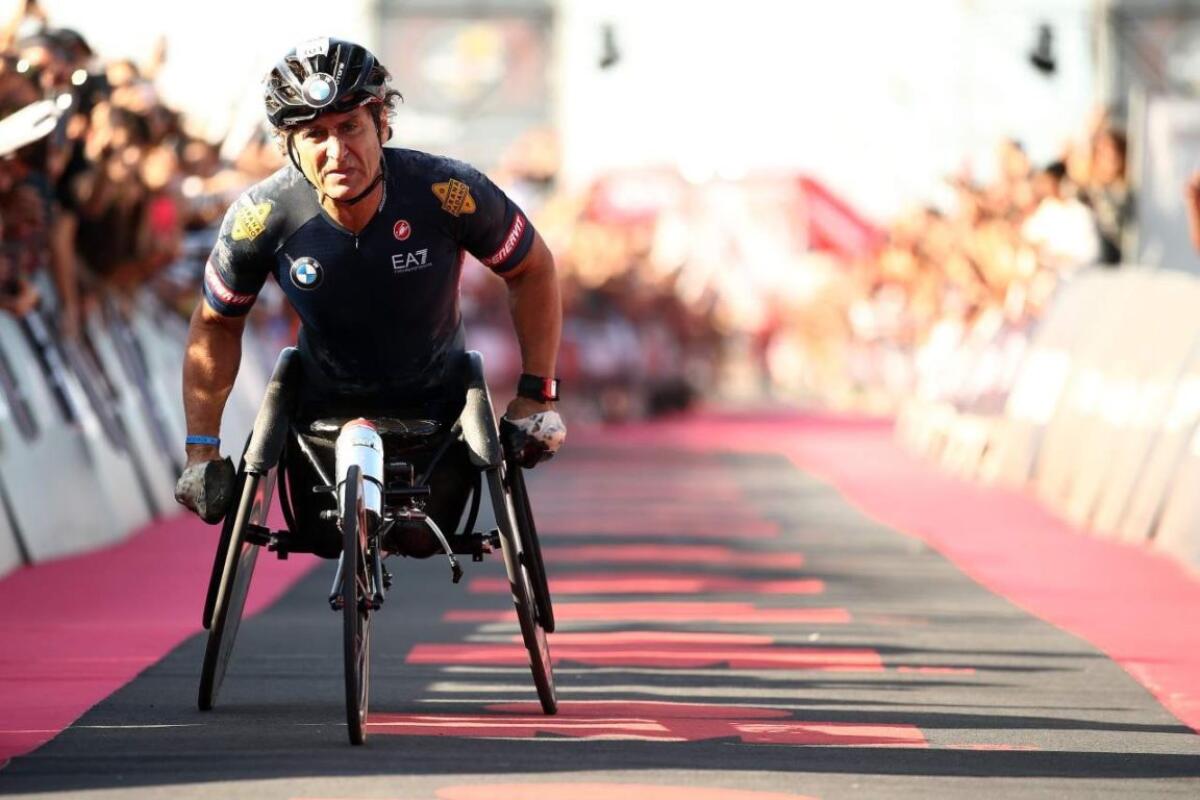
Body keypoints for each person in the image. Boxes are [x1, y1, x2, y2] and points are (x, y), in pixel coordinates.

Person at [174, 38, 564, 555]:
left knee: (421, 540)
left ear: (382, 123)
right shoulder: (261, 217)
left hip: (438, 412)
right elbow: (216, 323)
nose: (336, 152)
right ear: (288, 145)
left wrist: (537, 393)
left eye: (349, 127)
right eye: (315, 134)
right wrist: (201, 449)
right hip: (320, 415)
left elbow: (532, 268)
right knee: (325, 541)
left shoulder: (448, 191)